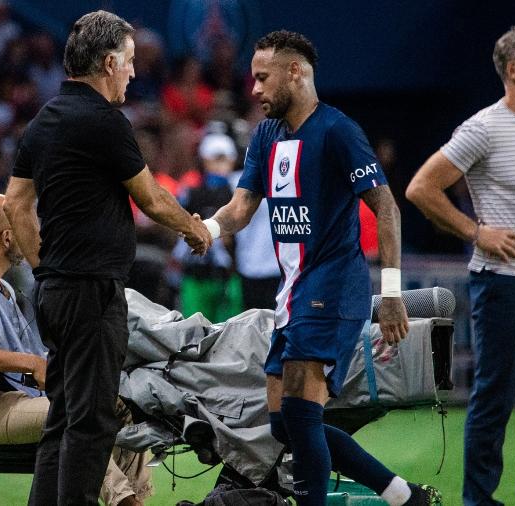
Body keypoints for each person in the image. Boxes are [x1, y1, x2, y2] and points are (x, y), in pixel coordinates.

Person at [196, 31, 439, 505]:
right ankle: (403, 495)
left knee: (301, 416)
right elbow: (243, 206)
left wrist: (391, 293)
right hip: (292, 293)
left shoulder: (338, 131)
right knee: (285, 424)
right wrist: (206, 228)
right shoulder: (265, 135)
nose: (255, 90)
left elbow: (386, 209)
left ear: (296, 72)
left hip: (333, 286)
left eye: (263, 78)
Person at [4, 11, 211, 506]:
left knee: (62, 418)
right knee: (94, 421)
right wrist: (194, 228)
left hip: (54, 292)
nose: (134, 74)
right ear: (109, 61)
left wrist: (41, 268)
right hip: (92, 292)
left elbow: (14, 204)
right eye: (130, 62)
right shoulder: (104, 121)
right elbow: (152, 199)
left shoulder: (44, 120)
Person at [405, 26, 515, 506]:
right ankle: (478, 500)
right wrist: (479, 232)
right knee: (494, 404)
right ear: (514, 72)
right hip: (503, 287)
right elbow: (420, 188)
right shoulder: (483, 128)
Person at [0, 193, 151, 506]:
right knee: (77, 413)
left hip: (12, 402)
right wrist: (30, 363)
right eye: (25, 226)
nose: (35, 235)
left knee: (122, 406)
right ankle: (125, 502)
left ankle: (133, 498)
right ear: (7, 237)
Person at [173, 132, 242, 321]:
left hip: (228, 275)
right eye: (215, 159)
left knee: (227, 330)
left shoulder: (238, 193)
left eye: (225, 159)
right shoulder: (191, 193)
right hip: (195, 274)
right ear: (204, 159)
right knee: (193, 328)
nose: (220, 165)